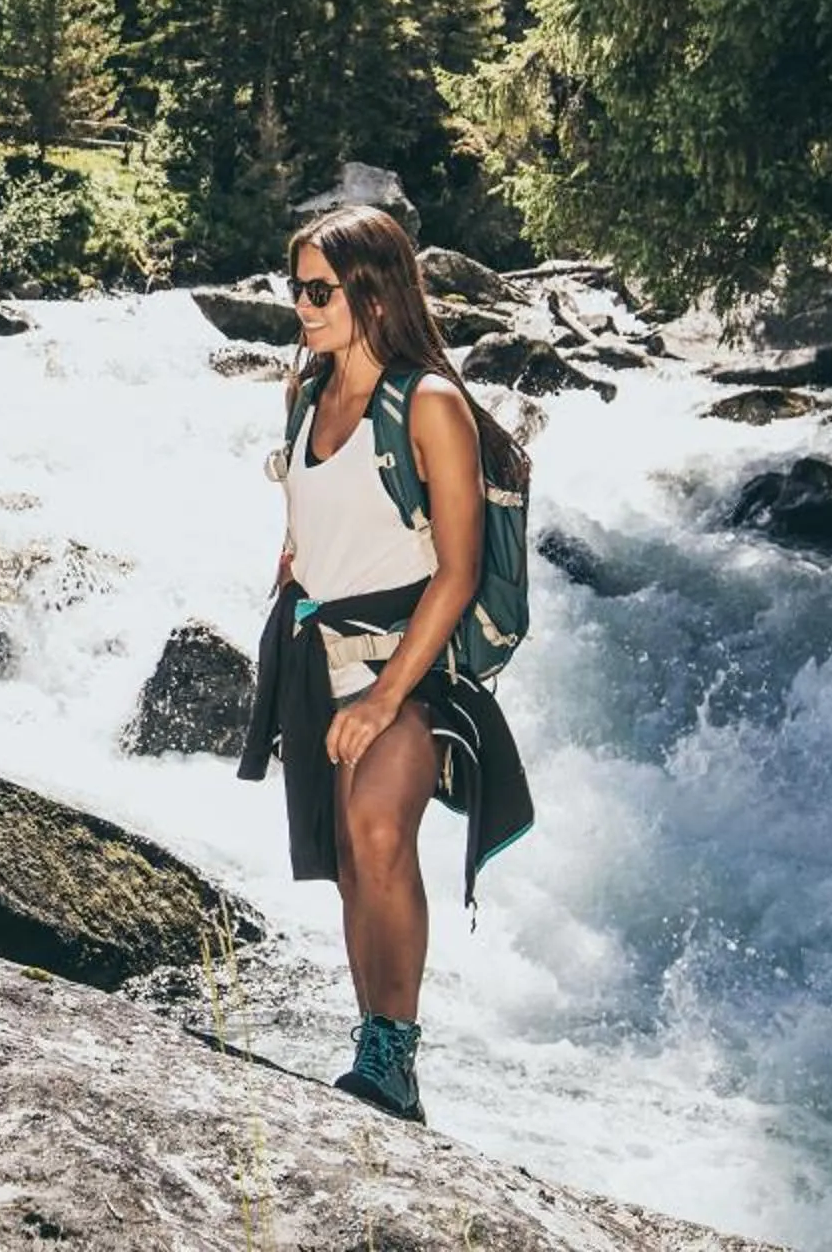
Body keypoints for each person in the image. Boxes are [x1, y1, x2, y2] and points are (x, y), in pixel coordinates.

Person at [237, 205, 536, 1125]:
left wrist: (383, 699)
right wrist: (290, 569)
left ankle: (393, 1051)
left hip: (411, 662)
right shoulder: (305, 393)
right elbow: (311, 519)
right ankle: (375, 1046)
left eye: (320, 290)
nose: (303, 306)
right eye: (296, 288)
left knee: (376, 830)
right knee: (349, 866)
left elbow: (459, 570)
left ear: (373, 291)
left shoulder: (429, 404)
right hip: (314, 652)